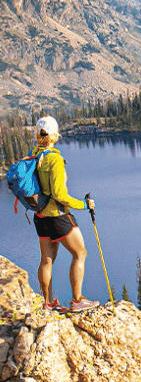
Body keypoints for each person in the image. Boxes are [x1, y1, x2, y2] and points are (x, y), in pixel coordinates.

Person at [32, 115, 100, 313]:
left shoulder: (35, 154)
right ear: (54, 135)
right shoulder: (54, 159)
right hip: (58, 216)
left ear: (38, 135)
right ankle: (77, 300)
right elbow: (59, 194)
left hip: (40, 216)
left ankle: (48, 302)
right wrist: (84, 205)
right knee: (80, 253)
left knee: (46, 259)